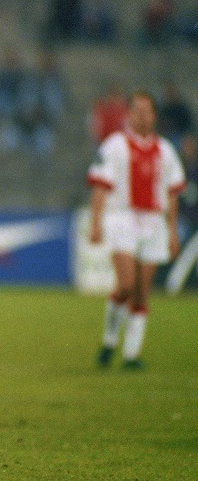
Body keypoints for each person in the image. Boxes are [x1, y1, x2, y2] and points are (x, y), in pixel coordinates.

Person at [87, 90, 186, 370]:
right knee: (126, 284)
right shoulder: (114, 146)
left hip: (153, 222)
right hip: (122, 218)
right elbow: (100, 187)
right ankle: (109, 340)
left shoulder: (166, 151)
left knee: (142, 291)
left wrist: (172, 231)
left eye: (147, 111)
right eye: (137, 110)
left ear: (154, 115)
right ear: (129, 114)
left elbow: (172, 193)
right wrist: (96, 223)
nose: (142, 115)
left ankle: (131, 355)